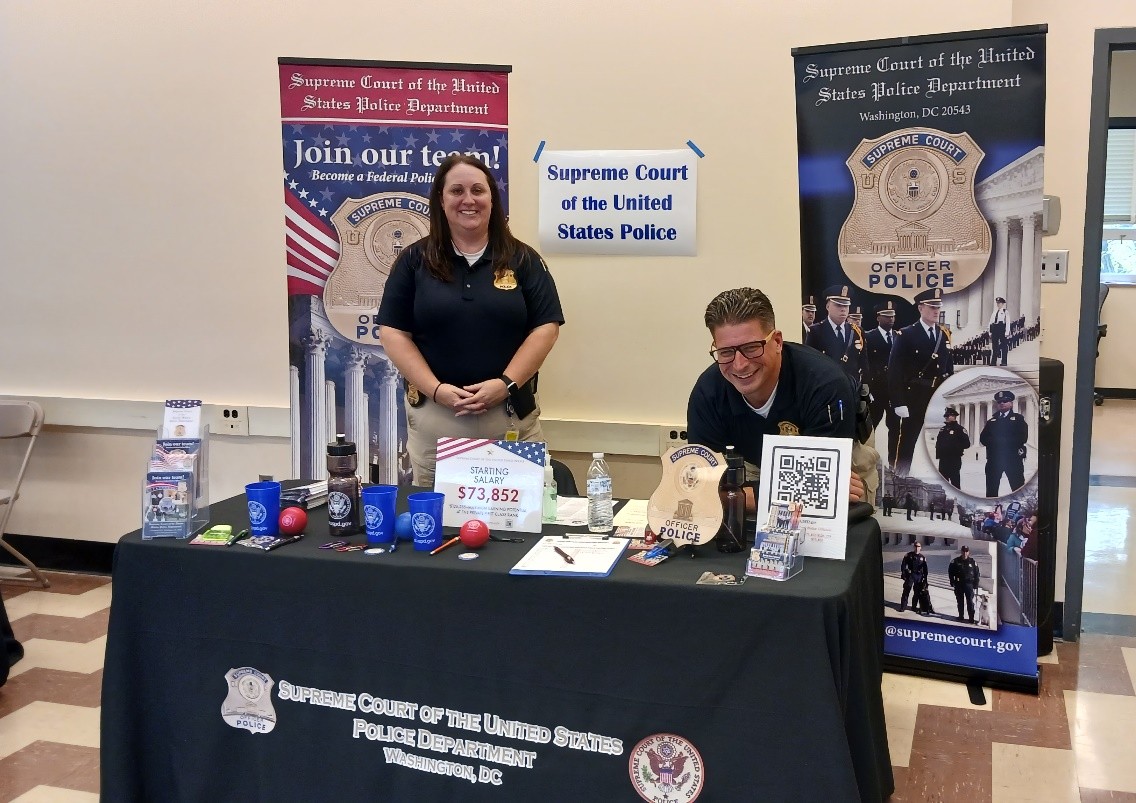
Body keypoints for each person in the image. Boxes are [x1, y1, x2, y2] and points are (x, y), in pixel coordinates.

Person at [377, 154, 564, 486]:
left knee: (518, 526)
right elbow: (393, 332)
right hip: (439, 417)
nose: (468, 199)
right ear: (441, 199)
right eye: (457, 190)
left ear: (492, 198)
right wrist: (436, 390)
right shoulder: (413, 262)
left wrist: (504, 384)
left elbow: (545, 328)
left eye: (478, 190)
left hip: (509, 416)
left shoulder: (523, 259)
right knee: (441, 529)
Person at [686, 287, 865, 513]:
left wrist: (734, 497)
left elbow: (825, 493)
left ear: (778, 341)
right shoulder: (708, 391)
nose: (739, 364)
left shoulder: (825, 383)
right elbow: (700, 488)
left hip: (844, 460)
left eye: (751, 348)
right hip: (751, 464)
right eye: (726, 352)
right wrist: (793, 492)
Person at [888, 288, 954, 475]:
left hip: (937, 397)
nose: (936, 311)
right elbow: (895, 371)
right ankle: (901, 476)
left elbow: (948, 368)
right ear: (920, 308)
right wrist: (898, 402)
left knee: (942, 442)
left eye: (938, 307)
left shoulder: (944, 334)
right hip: (914, 396)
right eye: (932, 307)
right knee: (908, 441)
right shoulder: (906, 334)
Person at [863, 301, 899, 465]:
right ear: (878, 318)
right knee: (871, 427)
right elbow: (865, 363)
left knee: (895, 428)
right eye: (886, 316)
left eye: (892, 316)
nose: (890, 319)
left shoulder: (899, 337)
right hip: (876, 390)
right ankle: (867, 459)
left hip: (894, 390)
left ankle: (893, 463)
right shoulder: (869, 337)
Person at [806, 285, 863, 385]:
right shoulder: (816, 331)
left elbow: (863, 364)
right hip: (826, 387)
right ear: (828, 306)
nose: (843, 309)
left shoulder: (856, 331)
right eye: (838, 305)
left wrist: (865, 389)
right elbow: (810, 365)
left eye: (846, 305)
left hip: (852, 388)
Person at [980, 390, 1029, 497]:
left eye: (1005, 401)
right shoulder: (991, 421)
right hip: (994, 460)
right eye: (999, 402)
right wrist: (999, 441)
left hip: (1013, 460)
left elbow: (1022, 437)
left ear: (1011, 403)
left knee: (1018, 488)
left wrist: (998, 441)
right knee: (991, 491)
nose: (1002, 403)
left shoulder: (1018, 419)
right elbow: (983, 438)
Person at [935, 407, 971, 488]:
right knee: (943, 484)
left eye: (948, 416)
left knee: (955, 483)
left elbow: (967, 444)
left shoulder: (960, 429)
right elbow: (938, 443)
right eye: (945, 416)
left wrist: (954, 447)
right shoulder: (943, 429)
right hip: (943, 460)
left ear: (954, 416)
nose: (946, 418)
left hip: (954, 459)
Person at [948, 545, 981, 623]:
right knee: (960, 601)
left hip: (969, 584)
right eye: (963, 551)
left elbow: (977, 573)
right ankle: (961, 616)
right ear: (961, 552)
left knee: (970, 601)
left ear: (968, 552)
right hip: (959, 584)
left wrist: (976, 584)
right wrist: (952, 581)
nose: (965, 553)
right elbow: (950, 572)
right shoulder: (955, 561)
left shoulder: (972, 562)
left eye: (966, 551)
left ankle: (971, 618)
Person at [898, 541, 930, 615]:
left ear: (920, 548)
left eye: (918, 546)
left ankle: (914, 607)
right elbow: (903, 564)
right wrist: (903, 573)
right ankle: (903, 607)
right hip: (910, 575)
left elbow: (925, 569)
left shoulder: (922, 557)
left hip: (919, 576)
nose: (917, 548)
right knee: (906, 591)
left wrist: (925, 578)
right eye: (915, 546)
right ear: (913, 547)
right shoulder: (909, 555)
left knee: (917, 593)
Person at [989, 297, 1009, 366]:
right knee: (994, 346)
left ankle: (1004, 362)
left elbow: (1008, 322)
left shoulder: (1005, 311)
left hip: (1001, 328)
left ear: (1002, 304)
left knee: (1004, 345)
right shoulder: (994, 312)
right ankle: (993, 362)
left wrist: (1007, 332)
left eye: (999, 303)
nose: (998, 304)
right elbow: (991, 322)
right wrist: (990, 331)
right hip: (995, 328)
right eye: (997, 303)